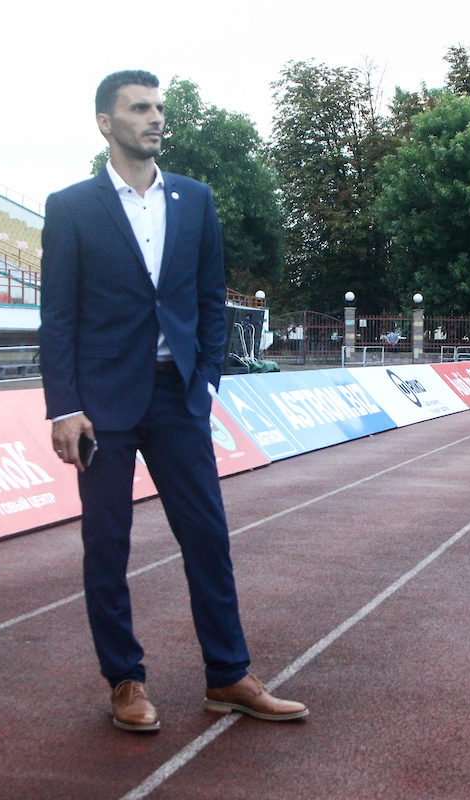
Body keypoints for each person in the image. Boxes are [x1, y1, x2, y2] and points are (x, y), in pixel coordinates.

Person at [39, 70, 308, 732]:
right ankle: (125, 680)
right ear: (107, 122)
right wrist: (63, 407)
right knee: (108, 546)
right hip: (102, 404)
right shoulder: (71, 207)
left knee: (208, 538)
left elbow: (211, 297)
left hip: (178, 397)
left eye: (158, 107)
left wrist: (208, 379)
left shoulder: (195, 199)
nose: (155, 118)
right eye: (139, 108)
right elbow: (58, 317)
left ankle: (229, 675)